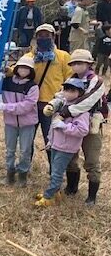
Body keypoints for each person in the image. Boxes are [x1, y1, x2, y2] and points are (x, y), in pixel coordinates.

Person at [47, 49, 106, 205]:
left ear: (89, 64)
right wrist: (53, 105)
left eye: (80, 63)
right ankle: (72, 188)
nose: (76, 66)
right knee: (70, 157)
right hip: (69, 124)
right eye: (73, 63)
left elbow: (87, 101)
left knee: (91, 160)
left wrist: (65, 112)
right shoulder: (70, 79)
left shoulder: (97, 81)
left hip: (90, 124)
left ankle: (92, 197)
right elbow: (61, 95)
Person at [19, 24, 71, 172]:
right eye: (40, 35)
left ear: (53, 37)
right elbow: (17, 70)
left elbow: (70, 79)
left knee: (52, 141)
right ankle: (24, 168)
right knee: (26, 141)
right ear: (36, 38)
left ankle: (54, 172)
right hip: (31, 106)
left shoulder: (63, 56)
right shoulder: (29, 57)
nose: (43, 38)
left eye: (47, 35)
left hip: (52, 107)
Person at [34, 78, 89, 207]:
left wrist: (64, 126)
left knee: (57, 172)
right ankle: (55, 193)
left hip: (67, 147)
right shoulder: (62, 105)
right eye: (66, 89)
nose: (68, 93)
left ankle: (49, 197)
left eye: (72, 90)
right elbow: (53, 126)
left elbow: (82, 130)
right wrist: (50, 140)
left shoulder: (81, 110)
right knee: (54, 171)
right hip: (56, 144)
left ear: (80, 93)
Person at [0, 57, 39, 187]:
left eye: (27, 68)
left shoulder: (32, 86)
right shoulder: (6, 82)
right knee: (10, 150)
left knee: (25, 150)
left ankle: (22, 175)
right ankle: (10, 174)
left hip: (27, 123)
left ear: (31, 71)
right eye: (21, 67)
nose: (23, 70)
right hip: (10, 123)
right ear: (16, 68)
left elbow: (27, 106)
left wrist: (6, 107)